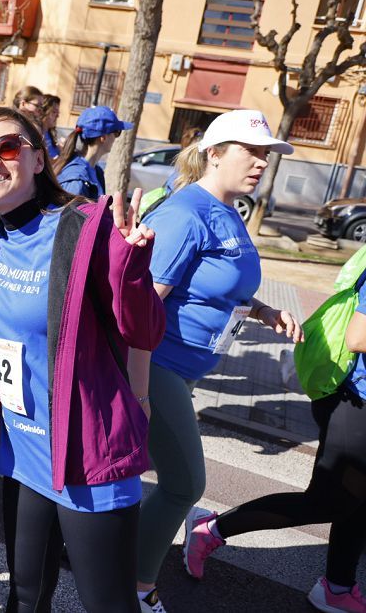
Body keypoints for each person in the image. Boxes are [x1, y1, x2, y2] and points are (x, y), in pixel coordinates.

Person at [0, 105, 164, 612]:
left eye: (7, 147)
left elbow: (145, 329)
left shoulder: (85, 227)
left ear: (38, 157)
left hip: (87, 455)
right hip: (24, 452)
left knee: (109, 605)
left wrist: (130, 264)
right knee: (25, 596)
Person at [132, 109, 303, 613]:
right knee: (185, 483)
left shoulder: (228, 209)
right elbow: (139, 308)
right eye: (250, 152)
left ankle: (105, 550)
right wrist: (138, 390)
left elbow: (213, 287)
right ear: (214, 152)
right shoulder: (184, 213)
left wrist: (263, 309)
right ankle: (136, 586)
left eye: (266, 155)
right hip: (156, 367)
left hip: (183, 373)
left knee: (143, 479)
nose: (260, 163)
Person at [183, 274, 363, 613]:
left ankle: (338, 587)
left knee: (356, 501)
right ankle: (212, 528)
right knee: (328, 502)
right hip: (357, 406)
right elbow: (358, 336)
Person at [55, 105, 131, 198]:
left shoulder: (97, 171)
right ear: (103, 137)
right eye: (116, 132)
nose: (116, 138)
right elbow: (67, 212)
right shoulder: (76, 180)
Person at [39, 94, 61, 159]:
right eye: (54, 112)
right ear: (43, 112)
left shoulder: (49, 133)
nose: (57, 116)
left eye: (58, 113)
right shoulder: (38, 135)